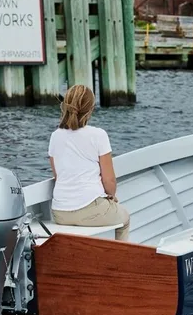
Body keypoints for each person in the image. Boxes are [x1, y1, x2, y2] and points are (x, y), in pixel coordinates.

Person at [48, 85, 131, 241]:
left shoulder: (55, 136)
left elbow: (57, 176)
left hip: (60, 212)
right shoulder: (98, 135)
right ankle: (120, 263)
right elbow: (109, 180)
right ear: (90, 109)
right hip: (90, 210)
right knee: (125, 219)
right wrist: (111, 197)